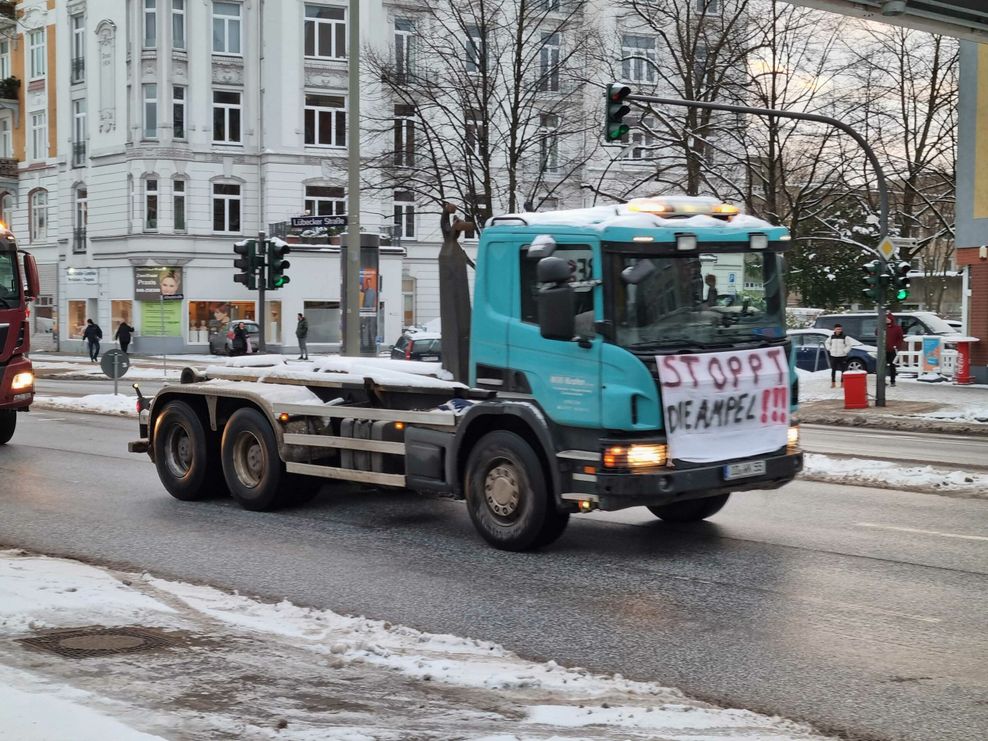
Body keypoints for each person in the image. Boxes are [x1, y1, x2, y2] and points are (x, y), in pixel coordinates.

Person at [824, 323, 860, 388]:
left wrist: (845, 351)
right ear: (834, 329)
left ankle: (842, 383)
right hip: (833, 355)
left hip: (842, 356)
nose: (839, 330)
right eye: (837, 329)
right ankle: (833, 383)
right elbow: (827, 343)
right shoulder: (831, 337)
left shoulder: (845, 337)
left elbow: (849, 345)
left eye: (840, 329)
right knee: (833, 370)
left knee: (843, 370)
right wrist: (829, 349)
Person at [885, 312, 905, 386]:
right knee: (882, 366)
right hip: (884, 350)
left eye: (888, 319)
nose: (886, 320)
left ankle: (892, 381)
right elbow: (877, 333)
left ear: (891, 319)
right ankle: (881, 381)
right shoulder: (883, 327)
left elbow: (900, 338)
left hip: (893, 350)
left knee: (892, 365)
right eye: (885, 319)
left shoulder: (897, 328)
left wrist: (897, 346)